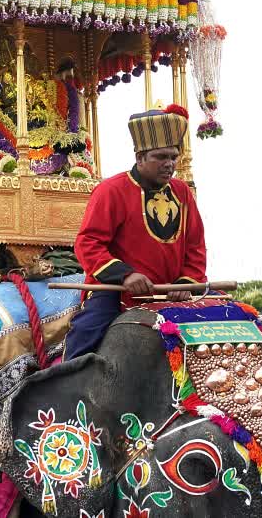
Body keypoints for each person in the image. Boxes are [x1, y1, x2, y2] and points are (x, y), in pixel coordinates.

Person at [65, 105, 207, 359]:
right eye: (161, 157)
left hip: (173, 293)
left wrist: (185, 284)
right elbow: (88, 243)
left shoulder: (183, 192)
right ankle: (65, 389)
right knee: (85, 335)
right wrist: (126, 276)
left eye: (173, 157)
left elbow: (196, 248)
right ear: (140, 157)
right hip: (116, 292)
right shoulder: (111, 190)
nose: (170, 164)